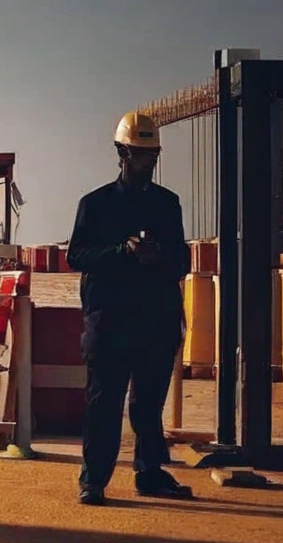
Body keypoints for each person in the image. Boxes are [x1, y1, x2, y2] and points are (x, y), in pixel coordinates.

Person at [67, 112, 194, 505]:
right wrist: (121, 252)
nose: (148, 162)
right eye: (141, 154)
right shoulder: (95, 205)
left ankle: (150, 473)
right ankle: (93, 480)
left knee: (148, 406)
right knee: (103, 403)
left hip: (155, 322)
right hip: (110, 322)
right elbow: (77, 256)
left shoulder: (167, 205)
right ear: (122, 153)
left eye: (153, 155)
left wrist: (158, 255)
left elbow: (182, 260)